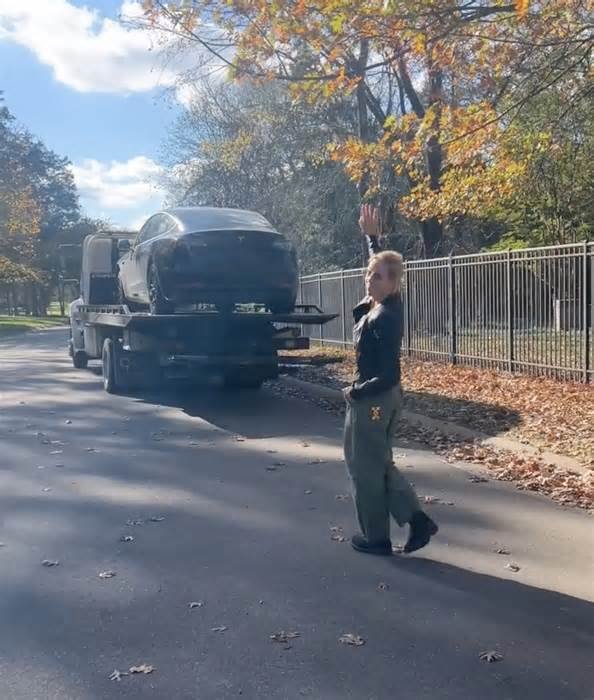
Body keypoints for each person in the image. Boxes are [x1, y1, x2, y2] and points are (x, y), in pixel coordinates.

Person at [343, 204, 438, 556]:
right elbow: (379, 262)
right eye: (370, 274)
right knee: (375, 462)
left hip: (375, 399)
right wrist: (371, 239)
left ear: (395, 283)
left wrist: (356, 391)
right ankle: (416, 520)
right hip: (381, 398)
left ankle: (377, 538)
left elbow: (388, 374)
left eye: (379, 277)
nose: (371, 279)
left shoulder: (384, 315)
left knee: (365, 468)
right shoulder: (384, 301)